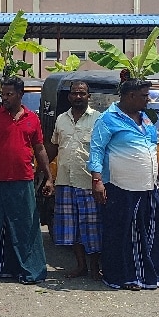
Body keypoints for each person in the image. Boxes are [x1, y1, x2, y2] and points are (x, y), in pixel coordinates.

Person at [87, 78, 159, 291]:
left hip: (148, 187)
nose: (148, 99)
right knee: (121, 234)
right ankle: (124, 277)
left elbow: (151, 148)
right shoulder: (108, 119)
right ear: (130, 96)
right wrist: (97, 181)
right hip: (121, 187)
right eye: (144, 95)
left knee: (156, 232)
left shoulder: (145, 119)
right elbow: (96, 151)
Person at [0, 78, 52, 286]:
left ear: (20, 95)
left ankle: (30, 270)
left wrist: (49, 177)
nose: (4, 98)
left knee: (26, 227)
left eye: (9, 94)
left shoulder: (32, 119)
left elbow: (40, 149)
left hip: (24, 180)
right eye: (3, 94)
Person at [46, 80, 102, 280]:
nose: (78, 97)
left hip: (88, 182)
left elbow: (104, 151)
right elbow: (53, 146)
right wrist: (42, 171)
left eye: (82, 93)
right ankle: (80, 266)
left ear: (89, 96)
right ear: (69, 97)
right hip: (65, 182)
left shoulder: (98, 119)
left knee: (92, 228)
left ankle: (95, 268)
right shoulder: (61, 119)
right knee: (72, 228)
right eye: (75, 93)